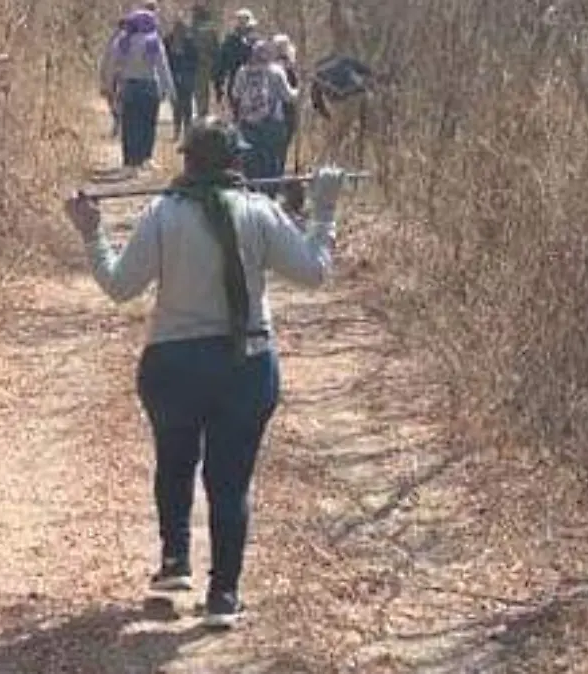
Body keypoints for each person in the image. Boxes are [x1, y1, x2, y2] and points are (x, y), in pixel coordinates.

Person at [64, 116, 347, 629]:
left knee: (175, 461)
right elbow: (314, 270)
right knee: (229, 482)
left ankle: (175, 561)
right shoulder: (258, 211)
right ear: (238, 161)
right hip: (246, 365)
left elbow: (119, 285)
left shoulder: (162, 214)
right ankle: (223, 595)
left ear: (188, 162)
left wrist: (92, 233)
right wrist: (324, 209)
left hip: (173, 365)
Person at [104, 10, 177, 171]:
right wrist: (169, 89)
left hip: (129, 87)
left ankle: (129, 162)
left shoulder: (123, 41)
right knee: (148, 124)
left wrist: (109, 86)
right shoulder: (154, 41)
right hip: (149, 86)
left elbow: (111, 65)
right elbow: (163, 67)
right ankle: (146, 158)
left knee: (129, 125)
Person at [230, 40, 297, 195]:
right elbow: (288, 97)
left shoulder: (242, 72)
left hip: (248, 125)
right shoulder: (276, 71)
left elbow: (235, 95)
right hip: (273, 124)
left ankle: (251, 193)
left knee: (251, 162)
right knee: (273, 163)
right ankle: (270, 195)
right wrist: (299, 90)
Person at [214, 8, 259, 112]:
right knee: (236, 109)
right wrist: (219, 83)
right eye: (240, 21)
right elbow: (221, 61)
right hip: (235, 78)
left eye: (244, 21)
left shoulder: (256, 40)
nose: (242, 24)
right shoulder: (230, 40)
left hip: (254, 80)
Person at [164, 19, 199, 141]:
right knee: (176, 105)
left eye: (181, 29)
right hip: (173, 76)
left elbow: (195, 60)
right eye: (177, 28)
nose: (179, 31)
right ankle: (177, 130)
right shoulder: (167, 41)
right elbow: (164, 59)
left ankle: (187, 132)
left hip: (187, 77)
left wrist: (186, 71)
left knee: (187, 105)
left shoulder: (190, 42)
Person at [270, 34, 300, 172]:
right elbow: (290, 94)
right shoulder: (283, 68)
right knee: (280, 150)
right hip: (283, 113)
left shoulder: (268, 66)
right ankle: (277, 175)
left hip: (273, 114)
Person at [98, 17, 131, 138]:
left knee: (117, 101)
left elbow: (106, 59)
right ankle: (118, 123)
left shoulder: (129, 40)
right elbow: (107, 58)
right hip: (116, 75)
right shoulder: (114, 40)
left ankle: (119, 124)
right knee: (114, 101)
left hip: (120, 76)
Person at [190, 4, 220, 119]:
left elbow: (214, 47)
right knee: (203, 88)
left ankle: (201, 111)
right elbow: (216, 47)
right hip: (205, 62)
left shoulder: (199, 28)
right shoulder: (209, 28)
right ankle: (202, 111)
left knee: (200, 89)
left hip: (200, 62)